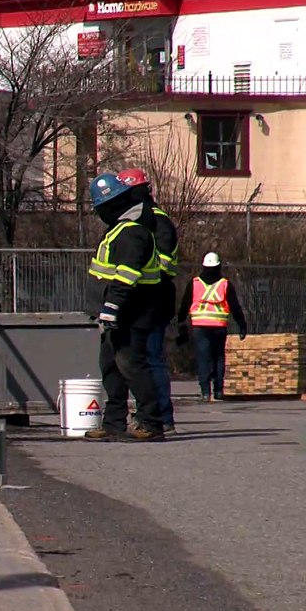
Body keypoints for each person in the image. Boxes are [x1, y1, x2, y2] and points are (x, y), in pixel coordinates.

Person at [83, 172, 165, 442]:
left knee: (131, 366)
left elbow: (126, 276)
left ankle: (151, 422)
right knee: (111, 367)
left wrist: (111, 308)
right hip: (118, 314)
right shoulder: (120, 230)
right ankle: (113, 422)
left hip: (132, 313)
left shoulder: (132, 233)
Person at [117, 168, 179, 433]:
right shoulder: (136, 219)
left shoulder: (155, 220)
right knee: (135, 358)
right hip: (140, 298)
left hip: (153, 298)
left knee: (149, 357)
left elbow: (161, 265)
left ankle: (161, 418)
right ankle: (146, 415)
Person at [177, 252, 248, 401]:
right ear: (218, 266)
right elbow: (235, 307)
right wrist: (242, 325)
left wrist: (181, 321)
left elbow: (185, 304)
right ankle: (218, 390)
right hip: (219, 327)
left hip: (200, 327)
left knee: (203, 358)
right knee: (218, 357)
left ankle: (205, 392)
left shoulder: (195, 283)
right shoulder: (225, 284)